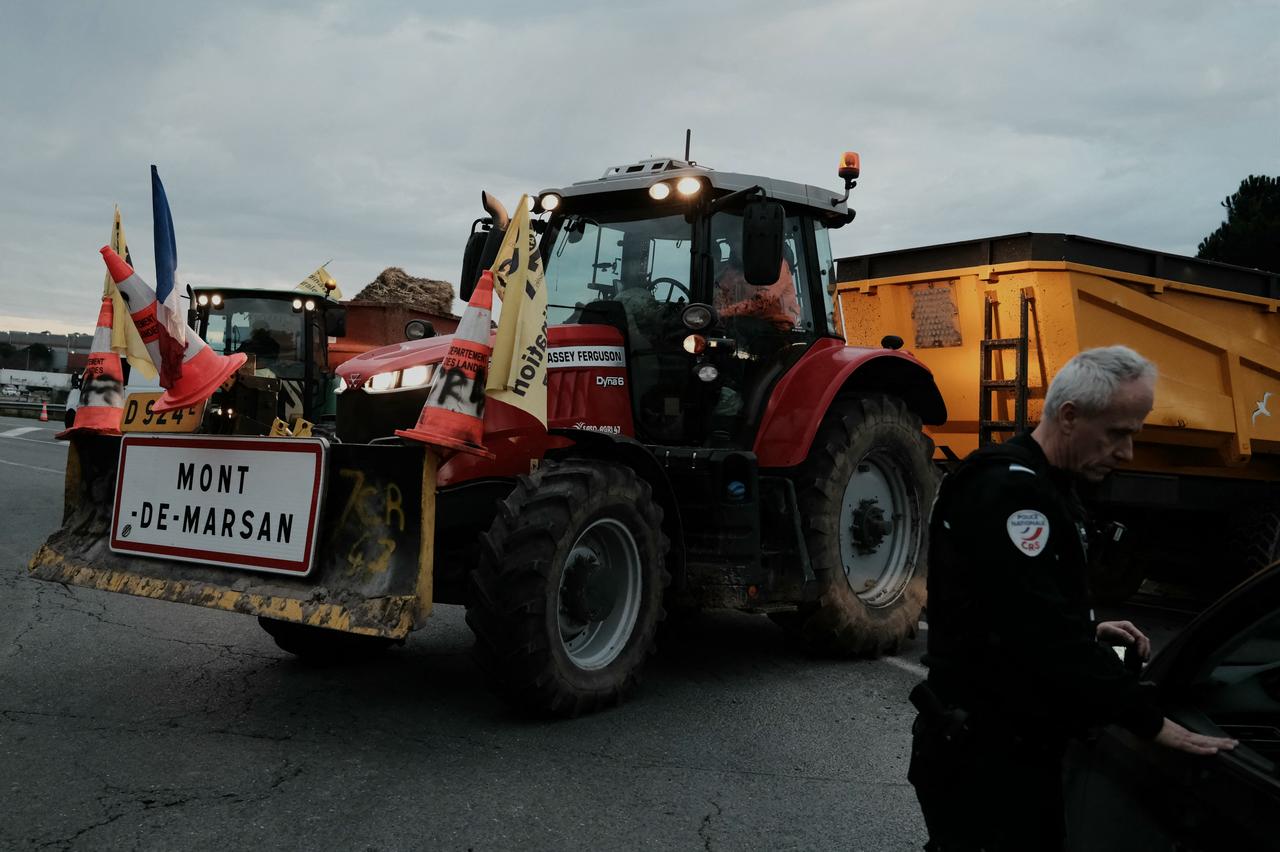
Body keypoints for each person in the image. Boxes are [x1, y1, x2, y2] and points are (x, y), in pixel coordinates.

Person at [908, 345, 1237, 851]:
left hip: (1003, 748)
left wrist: (1089, 628)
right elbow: (1043, 637)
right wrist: (1150, 723)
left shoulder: (1045, 483)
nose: (1127, 453)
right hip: (986, 759)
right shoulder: (1012, 493)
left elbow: (1010, 606)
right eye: (1117, 434)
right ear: (1069, 416)